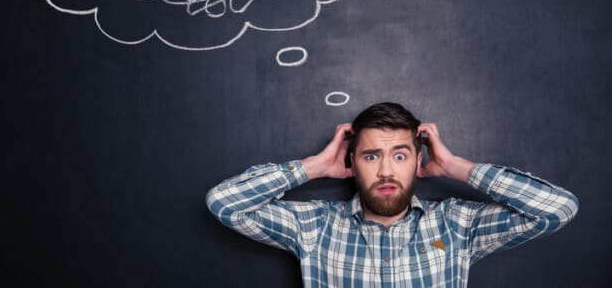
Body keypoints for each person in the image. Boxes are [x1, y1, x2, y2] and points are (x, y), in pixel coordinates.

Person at [206, 102, 579, 287]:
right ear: (352, 162)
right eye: (371, 156)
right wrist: (314, 166)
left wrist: (455, 167)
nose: (386, 170)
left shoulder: (458, 225)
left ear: (419, 161)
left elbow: (557, 209)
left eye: (400, 155)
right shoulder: (312, 225)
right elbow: (224, 203)